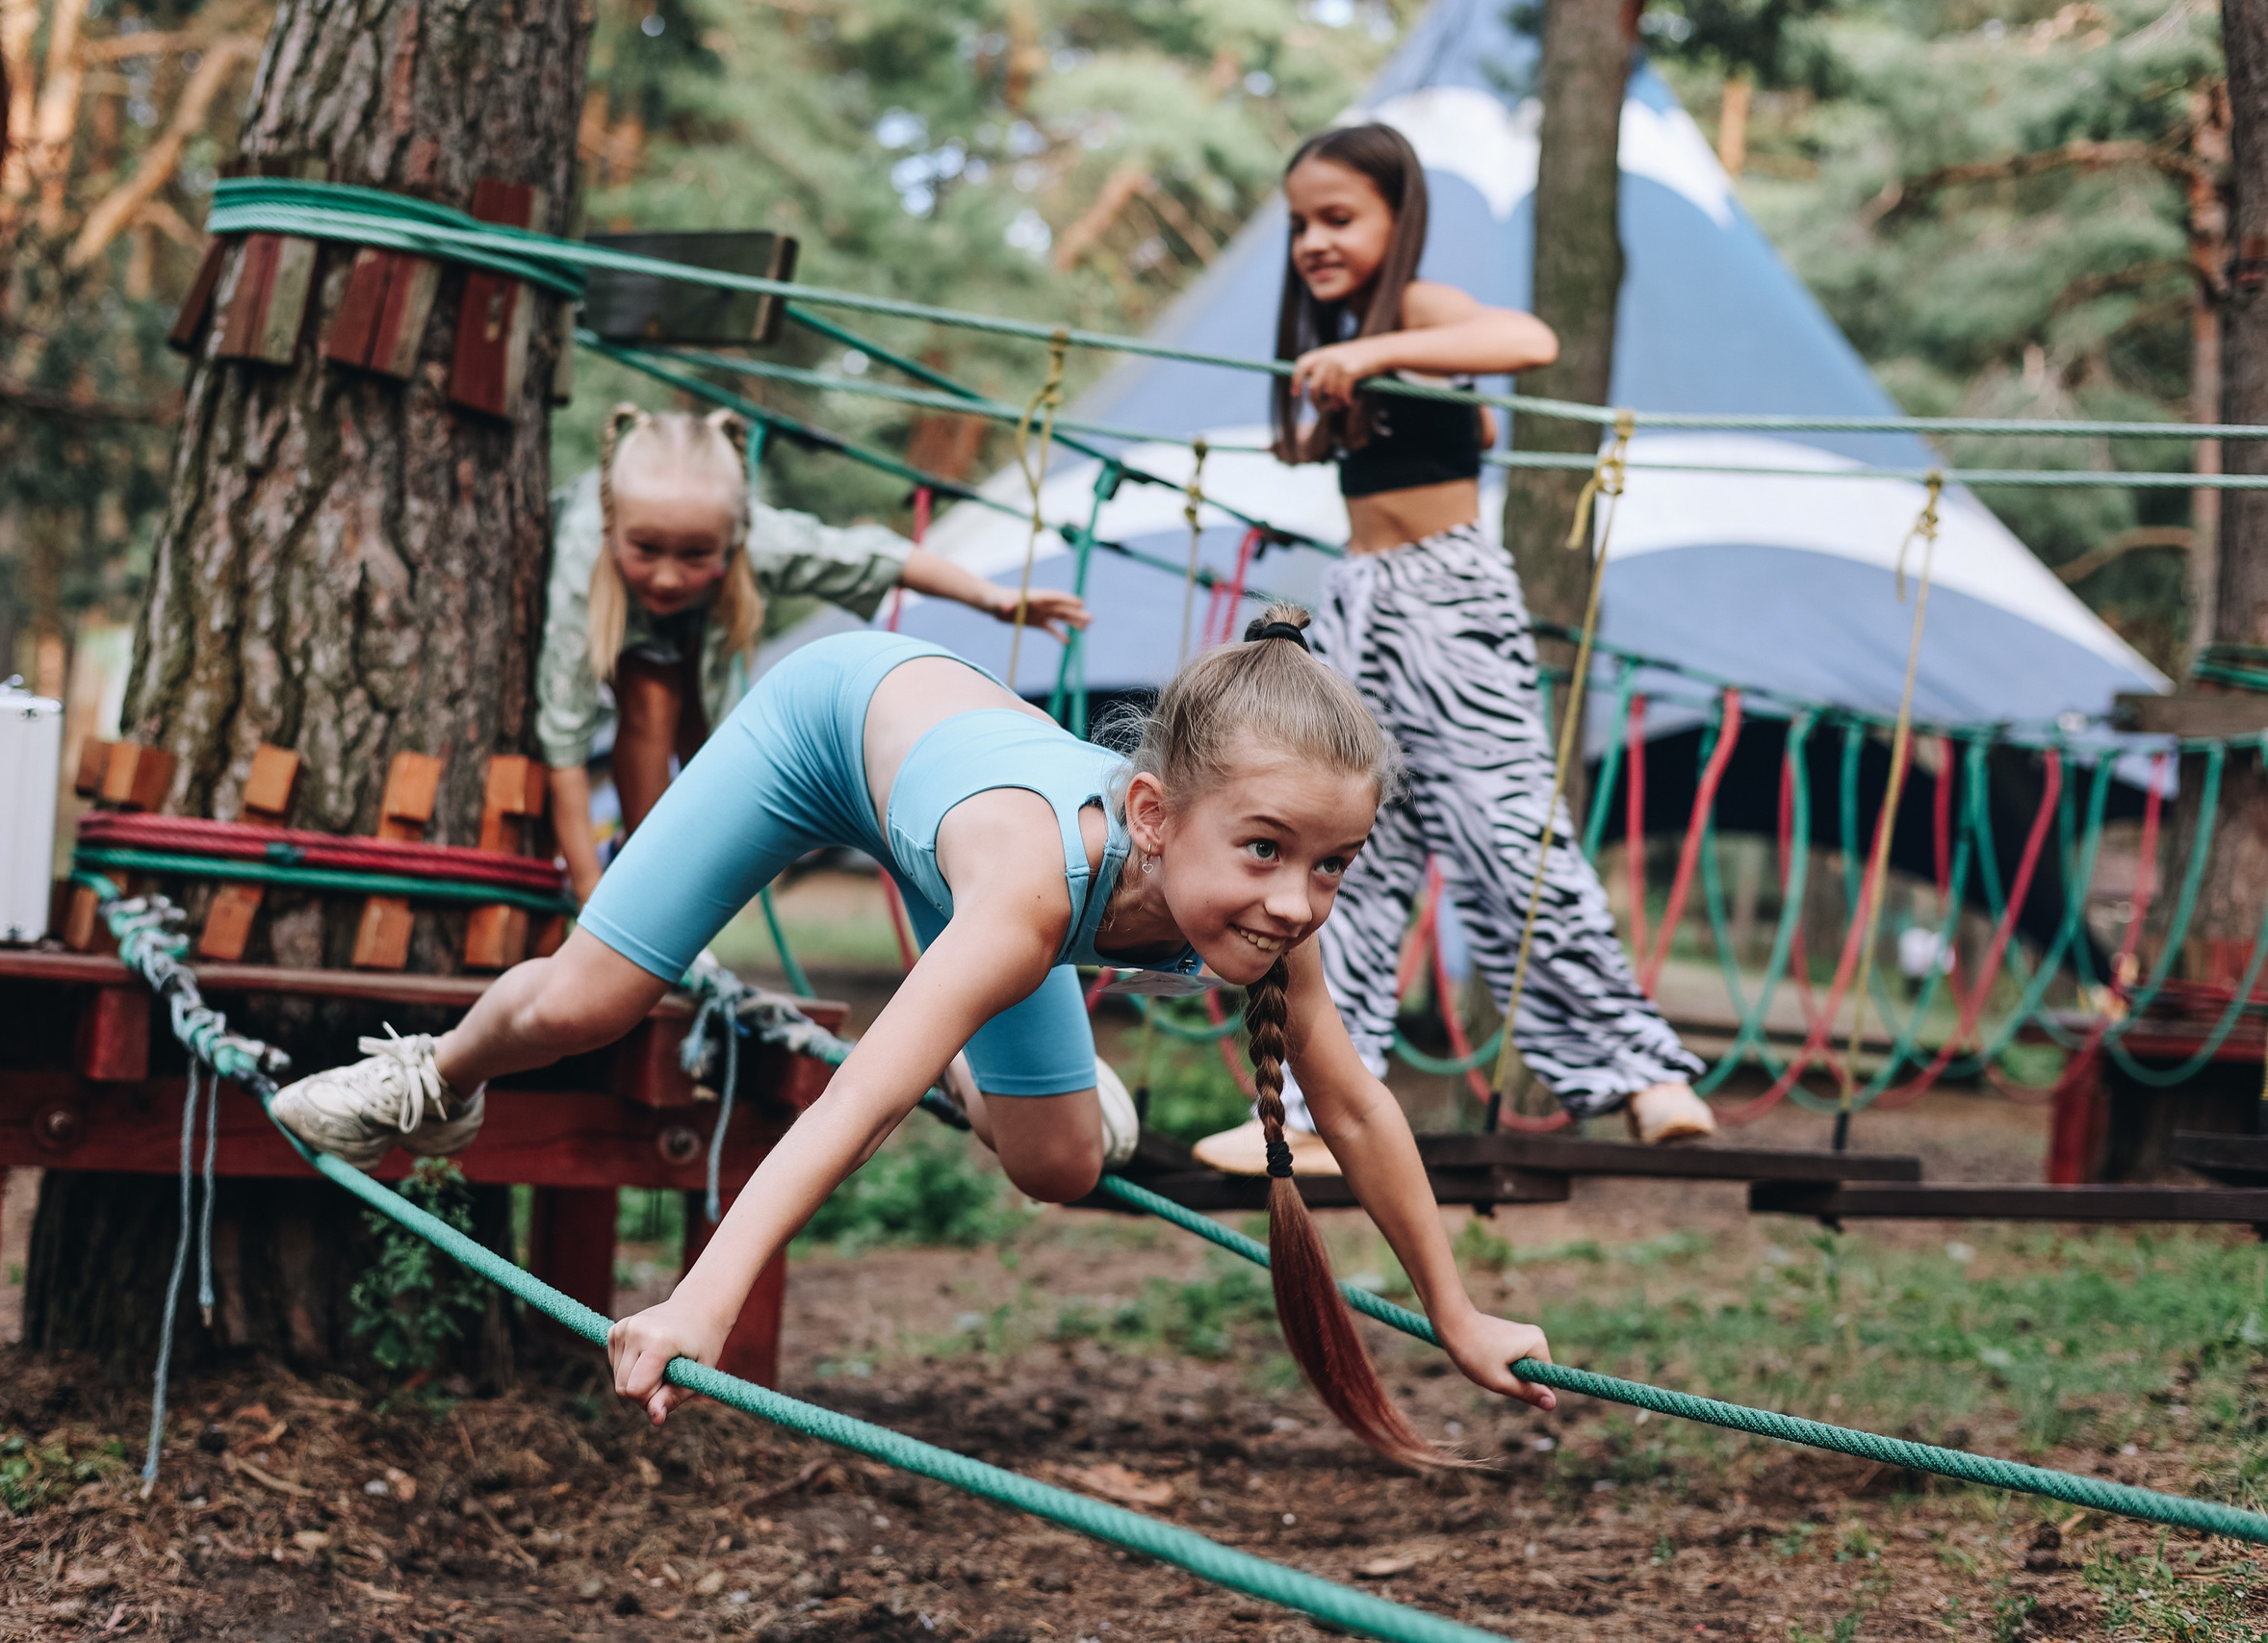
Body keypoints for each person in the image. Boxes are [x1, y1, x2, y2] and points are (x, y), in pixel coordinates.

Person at [271, 611, 1559, 1461]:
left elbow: (1362, 1107)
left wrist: (1456, 1312)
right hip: (831, 725)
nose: (1296, 898)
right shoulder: (1035, 894)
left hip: (974, 842)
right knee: (584, 1007)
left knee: (1057, 1161)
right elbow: (851, 1107)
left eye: (1333, 864)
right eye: (1269, 851)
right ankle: (436, 1073)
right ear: (1159, 813)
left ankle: (967, 1031)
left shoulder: (1270, 911)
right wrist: (699, 1303)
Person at [1191, 123, 1713, 1178]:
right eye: (1299, 224)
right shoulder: (1353, 339)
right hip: (1362, 599)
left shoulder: (1415, 311)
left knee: (1506, 828)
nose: (1312, 242)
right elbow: (1445, 436)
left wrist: (1380, 352)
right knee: (1340, 853)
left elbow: (1529, 343)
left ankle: (1641, 1073)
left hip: (1448, 593)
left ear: (1397, 218)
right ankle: (1314, 1108)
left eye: (1337, 218)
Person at [538, 404, 1090, 901]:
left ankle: (670, 874)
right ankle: (636, 880)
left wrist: (991, 598)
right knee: (651, 697)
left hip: (692, 640)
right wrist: (589, 892)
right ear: (613, 531)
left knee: (716, 748)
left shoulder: (760, 540)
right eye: (646, 549)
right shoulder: (580, 571)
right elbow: (564, 743)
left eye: (695, 554)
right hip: (623, 640)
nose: (666, 575)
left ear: (732, 539)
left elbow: (872, 558)